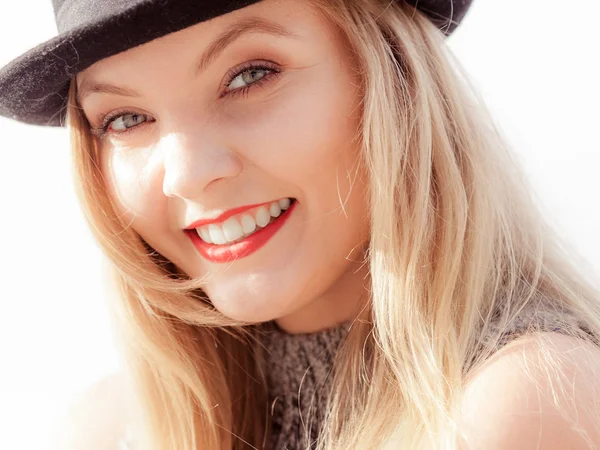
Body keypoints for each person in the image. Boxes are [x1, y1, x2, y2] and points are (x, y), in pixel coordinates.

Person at [1, 0, 600, 449]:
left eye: (250, 75)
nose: (186, 174)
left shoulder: (520, 406)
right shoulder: (117, 426)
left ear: (391, 73)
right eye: (126, 118)